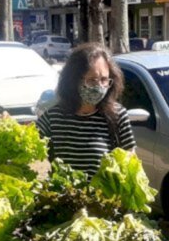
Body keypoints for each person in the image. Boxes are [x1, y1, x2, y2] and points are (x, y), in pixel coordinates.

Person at [35, 43, 136, 175]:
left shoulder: (117, 115)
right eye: (92, 80)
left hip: (104, 196)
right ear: (74, 80)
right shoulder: (53, 118)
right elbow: (29, 150)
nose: (99, 86)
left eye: (104, 79)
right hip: (64, 195)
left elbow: (131, 163)